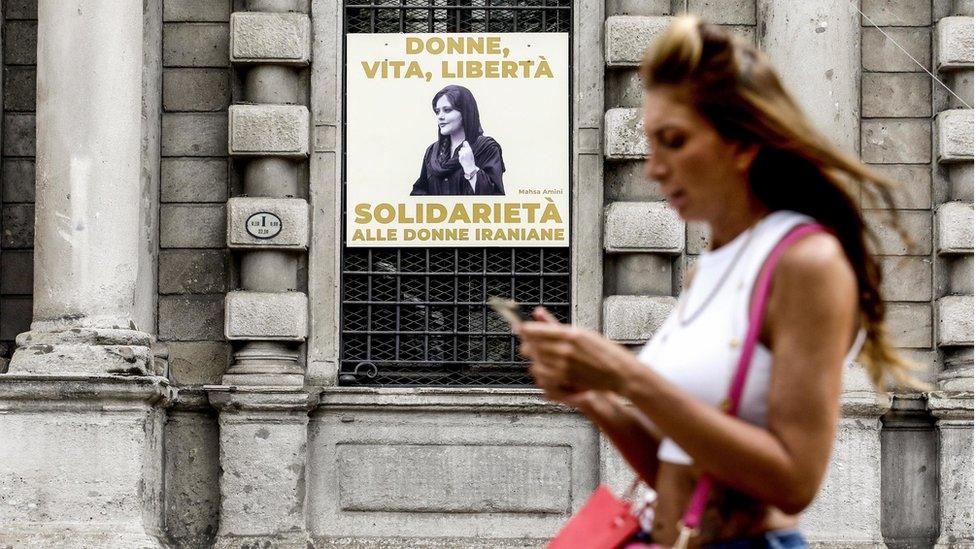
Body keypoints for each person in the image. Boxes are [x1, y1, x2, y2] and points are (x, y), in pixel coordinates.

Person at [517, 16, 922, 548]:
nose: (654, 168)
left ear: (740, 143)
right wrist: (594, 397)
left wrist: (626, 376)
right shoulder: (708, 268)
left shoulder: (806, 262)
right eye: (651, 144)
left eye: (674, 141)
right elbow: (683, 463)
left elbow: (794, 480)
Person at [410, 84, 505, 196]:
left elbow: (496, 197)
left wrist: (471, 168)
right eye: (437, 111)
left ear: (465, 112)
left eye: (447, 110)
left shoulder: (487, 147)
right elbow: (420, 190)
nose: (440, 116)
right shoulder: (432, 151)